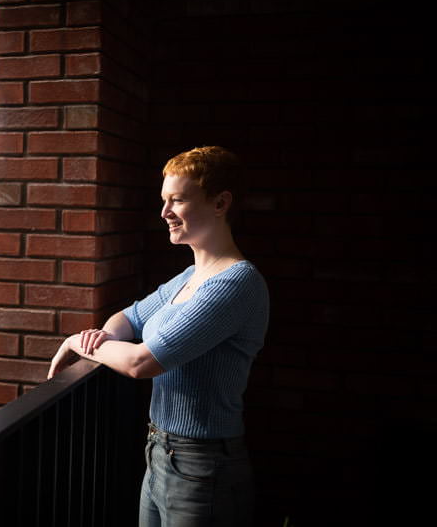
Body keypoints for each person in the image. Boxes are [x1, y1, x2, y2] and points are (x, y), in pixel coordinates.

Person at [47, 146, 270, 527]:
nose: (164, 213)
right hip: (160, 451)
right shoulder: (189, 278)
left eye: (177, 200)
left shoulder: (236, 283)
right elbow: (127, 318)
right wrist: (101, 336)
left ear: (220, 203)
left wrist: (76, 344)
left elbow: (141, 362)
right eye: (164, 200)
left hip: (203, 467)